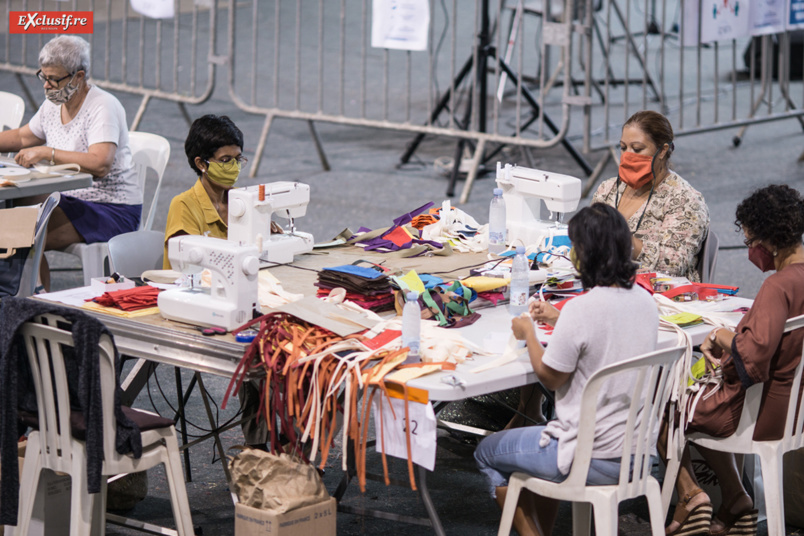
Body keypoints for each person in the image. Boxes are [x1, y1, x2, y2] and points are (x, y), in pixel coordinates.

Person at [474, 203, 659, 536]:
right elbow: (608, 334)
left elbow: (549, 376)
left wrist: (529, 333)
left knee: (488, 452)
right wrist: (560, 319)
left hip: (589, 455)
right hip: (637, 453)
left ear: (585, 253)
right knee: (545, 433)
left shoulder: (582, 308)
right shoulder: (645, 302)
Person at [663, 184, 804, 536]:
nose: (751, 251)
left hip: (761, 415)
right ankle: (735, 499)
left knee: (663, 409)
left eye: (750, 242)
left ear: (769, 239)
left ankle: (691, 495)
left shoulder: (777, 287)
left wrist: (720, 336)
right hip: (795, 410)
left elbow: (753, 356)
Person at [0, 35, 141, 290]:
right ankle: (33, 296)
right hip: (72, 199)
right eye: (44, 77)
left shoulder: (103, 106)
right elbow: (23, 136)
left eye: (55, 79)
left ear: (78, 77)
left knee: (19, 230)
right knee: (12, 214)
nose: (47, 86)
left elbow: (100, 163)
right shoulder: (54, 103)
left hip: (111, 208)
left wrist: (47, 152)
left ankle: (33, 300)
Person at [592, 110, 709, 282]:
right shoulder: (608, 188)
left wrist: (624, 240)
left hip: (662, 295)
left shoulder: (684, 199)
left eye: (637, 149)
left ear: (662, 151)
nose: (627, 155)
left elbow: (675, 264)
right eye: (623, 148)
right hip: (607, 284)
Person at [163, 114, 248, 268]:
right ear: (201, 164)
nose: (234, 167)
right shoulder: (184, 206)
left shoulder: (243, 200)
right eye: (225, 160)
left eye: (238, 159)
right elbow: (190, 267)